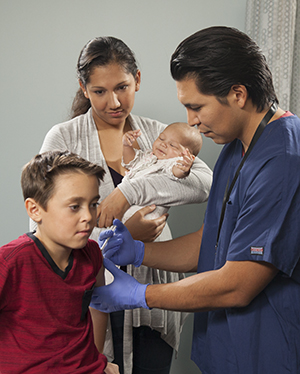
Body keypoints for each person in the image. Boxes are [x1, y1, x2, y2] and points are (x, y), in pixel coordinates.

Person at [91, 26, 300, 374]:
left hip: (267, 351)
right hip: (224, 348)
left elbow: (238, 284)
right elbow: (211, 243)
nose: (191, 122)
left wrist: (140, 294)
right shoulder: (235, 148)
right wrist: (141, 252)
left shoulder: (285, 159)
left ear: (237, 94)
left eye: (196, 106)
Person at [33, 37, 212, 374]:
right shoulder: (63, 139)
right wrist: (125, 233)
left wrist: (128, 192)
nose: (114, 102)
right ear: (84, 89)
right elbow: (44, 230)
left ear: (138, 80)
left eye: (122, 87)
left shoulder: (160, 135)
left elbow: (204, 184)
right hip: (88, 296)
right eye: (100, 91)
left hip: (151, 294)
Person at [0, 150, 119, 374]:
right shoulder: (11, 262)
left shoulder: (92, 253)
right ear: (34, 210)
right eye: (75, 207)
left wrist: (97, 361)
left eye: (93, 204)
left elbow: (98, 307)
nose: (88, 217)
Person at [121, 122, 203, 222]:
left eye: (172, 145)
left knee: (125, 225)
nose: (163, 144)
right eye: (161, 138)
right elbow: (130, 161)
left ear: (187, 156)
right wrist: (126, 146)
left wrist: (184, 167)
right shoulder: (149, 155)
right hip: (128, 202)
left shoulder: (172, 163)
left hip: (146, 210)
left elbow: (176, 173)